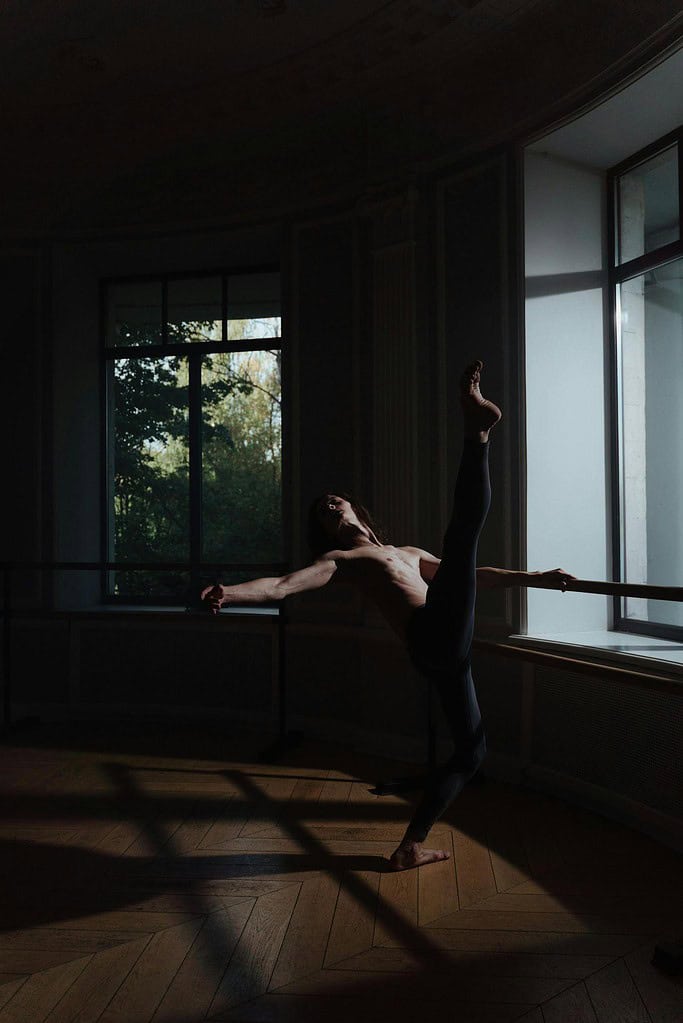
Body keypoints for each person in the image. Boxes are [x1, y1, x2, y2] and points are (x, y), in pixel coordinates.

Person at [202, 361, 574, 870]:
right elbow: (283, 586)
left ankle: (410, 845)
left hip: (449, 648)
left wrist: (533, 579)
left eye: (335, 500)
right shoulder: (346, 561)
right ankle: (477, 433)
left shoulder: (403, 550)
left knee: (472, 753)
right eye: (323, 514)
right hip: (431, 636)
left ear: (354, 506)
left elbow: (471, 576)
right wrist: (230, 592)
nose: (330, 505)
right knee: (461, 540)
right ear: (328, 534)